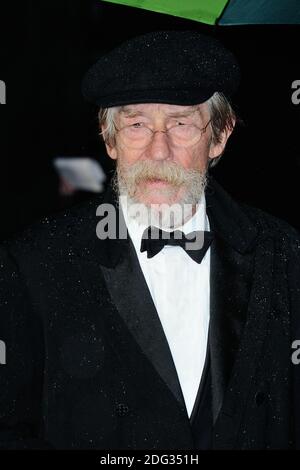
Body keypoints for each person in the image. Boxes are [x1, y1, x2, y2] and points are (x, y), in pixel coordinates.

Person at [0, 30, 299, 450]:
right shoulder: (32, 263)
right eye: (137, 124)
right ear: (109, 138)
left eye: (181, 124)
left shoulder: (284, 255)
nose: (159, 151)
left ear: (220, 135)